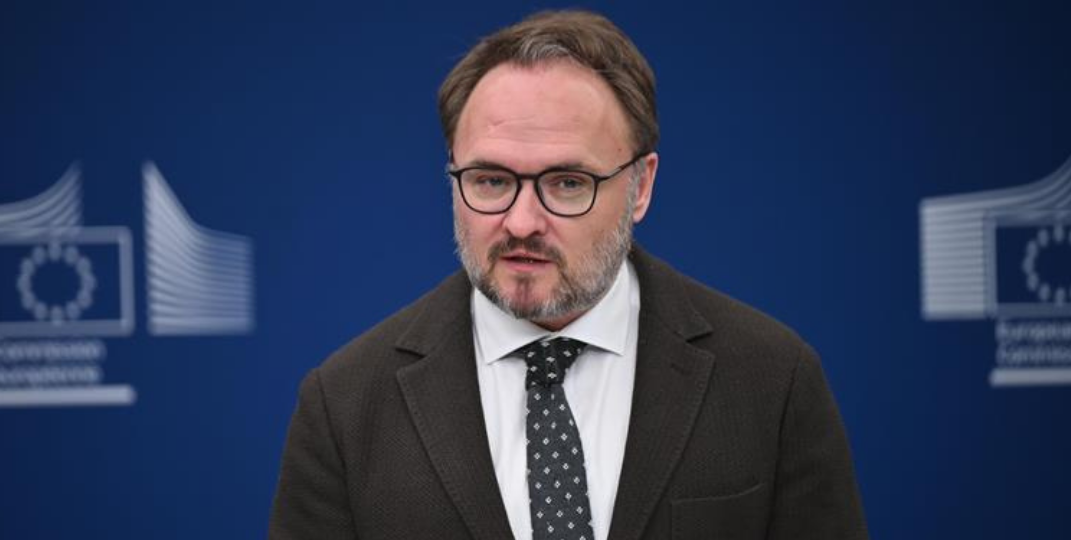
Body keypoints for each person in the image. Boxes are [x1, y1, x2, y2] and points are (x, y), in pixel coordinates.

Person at [269, 9, 867, 540]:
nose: (522, 221)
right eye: (491, 180)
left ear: (641, 186)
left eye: (567, 183)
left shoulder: (771, 380)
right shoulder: (344, 405)